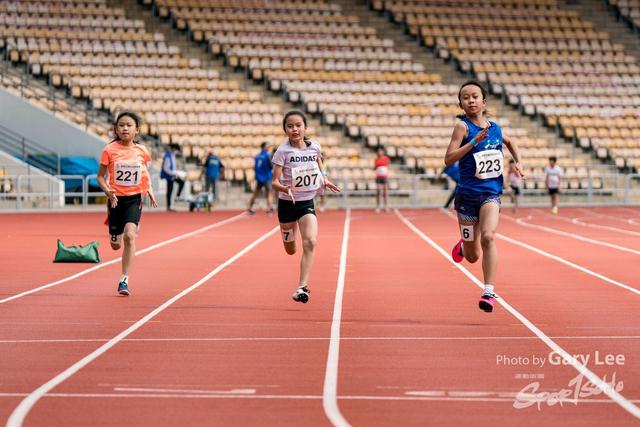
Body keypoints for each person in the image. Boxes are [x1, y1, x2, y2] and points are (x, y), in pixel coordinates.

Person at [444, 81, 524, 313]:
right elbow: (448, 159)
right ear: (461, 104)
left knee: (488, 237)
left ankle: (488, 291)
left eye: (475, 96)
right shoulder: (462, 127)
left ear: (484, 102)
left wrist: (518, 162)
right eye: (466, 97)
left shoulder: (495, 128)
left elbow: (510, 142)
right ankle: (464, 245)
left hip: (490, 194)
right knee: (472, 256)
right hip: (467, 197)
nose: (471, 100)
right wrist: (473, 142)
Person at [272, 110, 341, 303]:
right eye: (290, 126)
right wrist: (285, 188)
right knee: (291, 249)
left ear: (305, 127)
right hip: (287, 204)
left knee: (310, 241)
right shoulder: (282, 151)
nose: (294, 129)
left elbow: (319, 163)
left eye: (298, 125)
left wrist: (325, 178)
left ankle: (302, 286)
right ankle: (288, 234)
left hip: (306, 202)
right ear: (285, 130)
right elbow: (274, 182)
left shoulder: (315, 147)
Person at [97, 111, 158, 296]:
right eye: (121, 125)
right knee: (115, 245)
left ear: (136, 130)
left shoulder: (142, 151)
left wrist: (149, 189)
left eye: (129, 125)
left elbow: (144, 172)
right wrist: (107, 190)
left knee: (130, 236)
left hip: (134, 199)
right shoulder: (109, 150)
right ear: (116, 129)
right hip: (115, 200)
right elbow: (100, 176)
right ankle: (114, 232)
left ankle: (124, 280)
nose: (125, 128)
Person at [247, 142, 273, 214]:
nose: (268, 148)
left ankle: (249, 207)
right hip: (267, 177)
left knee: (256, 193)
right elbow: (271, 166)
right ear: (263, 147)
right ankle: (269, 208)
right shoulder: (267, 155)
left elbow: (255, 167)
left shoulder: (257, 156)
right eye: (267, 146)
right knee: (269, 192)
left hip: (259, 177)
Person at [161, 143, 185, 211]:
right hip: (169, 176)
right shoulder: (168, 156)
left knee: (181, 183)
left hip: (172, 175)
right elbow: (166, 169)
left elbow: (172, 167)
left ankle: (177, 197)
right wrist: (174, 173)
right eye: (176, 150)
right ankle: (169, 206)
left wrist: (176, 172)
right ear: (174, 149)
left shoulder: (172, 155)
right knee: (170, 191)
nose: (177, 151)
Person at [374, 146, 390, 212]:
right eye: (378, 151)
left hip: (384, 177)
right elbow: (375, 167)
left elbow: (387, 166)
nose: (379, 152)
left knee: (385, 192)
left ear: (383, 152)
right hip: (378, 177)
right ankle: (378, 206)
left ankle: (385, 206)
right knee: (378, 192)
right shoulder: (376, 159)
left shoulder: (386, 158)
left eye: (381, 151)